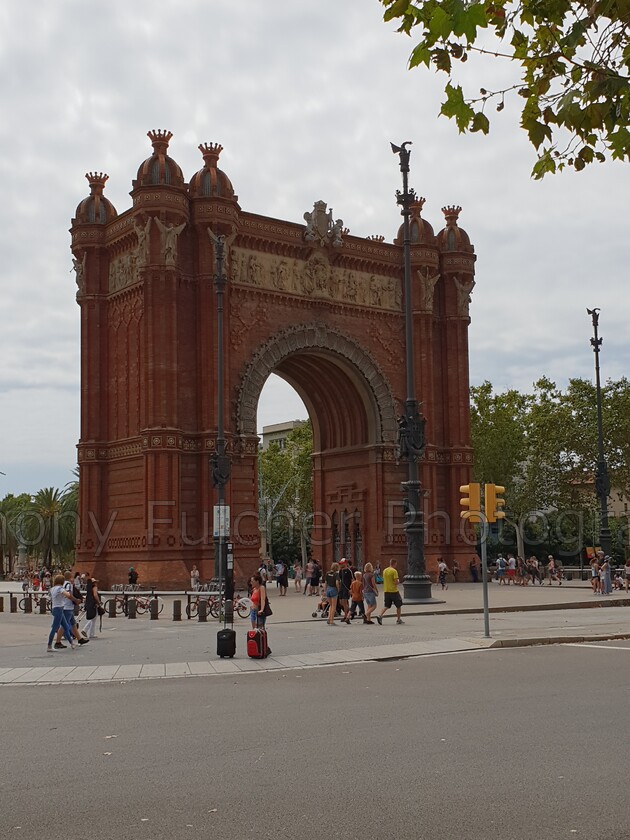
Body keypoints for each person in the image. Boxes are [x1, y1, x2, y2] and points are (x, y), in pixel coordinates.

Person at [55, 571, 88, 649]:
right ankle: (58, 642)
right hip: (67, 607)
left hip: (64, 605)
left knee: (73, 624)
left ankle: (80, 639)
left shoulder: (62, 584)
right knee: (64, 625)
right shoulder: (68, 585)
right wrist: (76, 600)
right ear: (71, 577)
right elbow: (69, 594)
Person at [47, 574, 76, 652]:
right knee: (55, 628)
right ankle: (49, 646)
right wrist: (69, 595)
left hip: (55, 608)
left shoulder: (52, 589)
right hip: (59, 609)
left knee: (66, 626)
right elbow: (67, 594)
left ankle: (72, 643)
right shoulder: (60, 588)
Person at [376, 558, 404, 625]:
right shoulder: (394, 571)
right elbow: (396, 582)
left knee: (387, 605)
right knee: (398, 605)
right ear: (395, 563)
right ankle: (398, 619)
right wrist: (398, 582)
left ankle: (380, 615)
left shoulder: (385, 570)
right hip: (394, 591)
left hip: (386, 590)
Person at [337, 558, 353, 624]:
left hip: (346, 588)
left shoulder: (349, 571)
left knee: (345, 602)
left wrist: (351, 588)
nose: (341, 565)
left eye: (342, 563)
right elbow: (339, 580)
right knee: (341, 602)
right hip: (341, 588)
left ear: (345, 563)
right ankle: (349, 612)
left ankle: (346, 616)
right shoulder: (340, 571)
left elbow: (352, 580)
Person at [324, 562, 339, 626]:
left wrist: (325, 591)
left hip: (328, 589)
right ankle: (332, 620)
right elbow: (337, 583)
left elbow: (325, 582)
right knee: (333, 606)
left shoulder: (327, 573)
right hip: (333, 589)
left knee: (330, 605)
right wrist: (338, 590)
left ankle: (329, 618)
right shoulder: (336, 574)